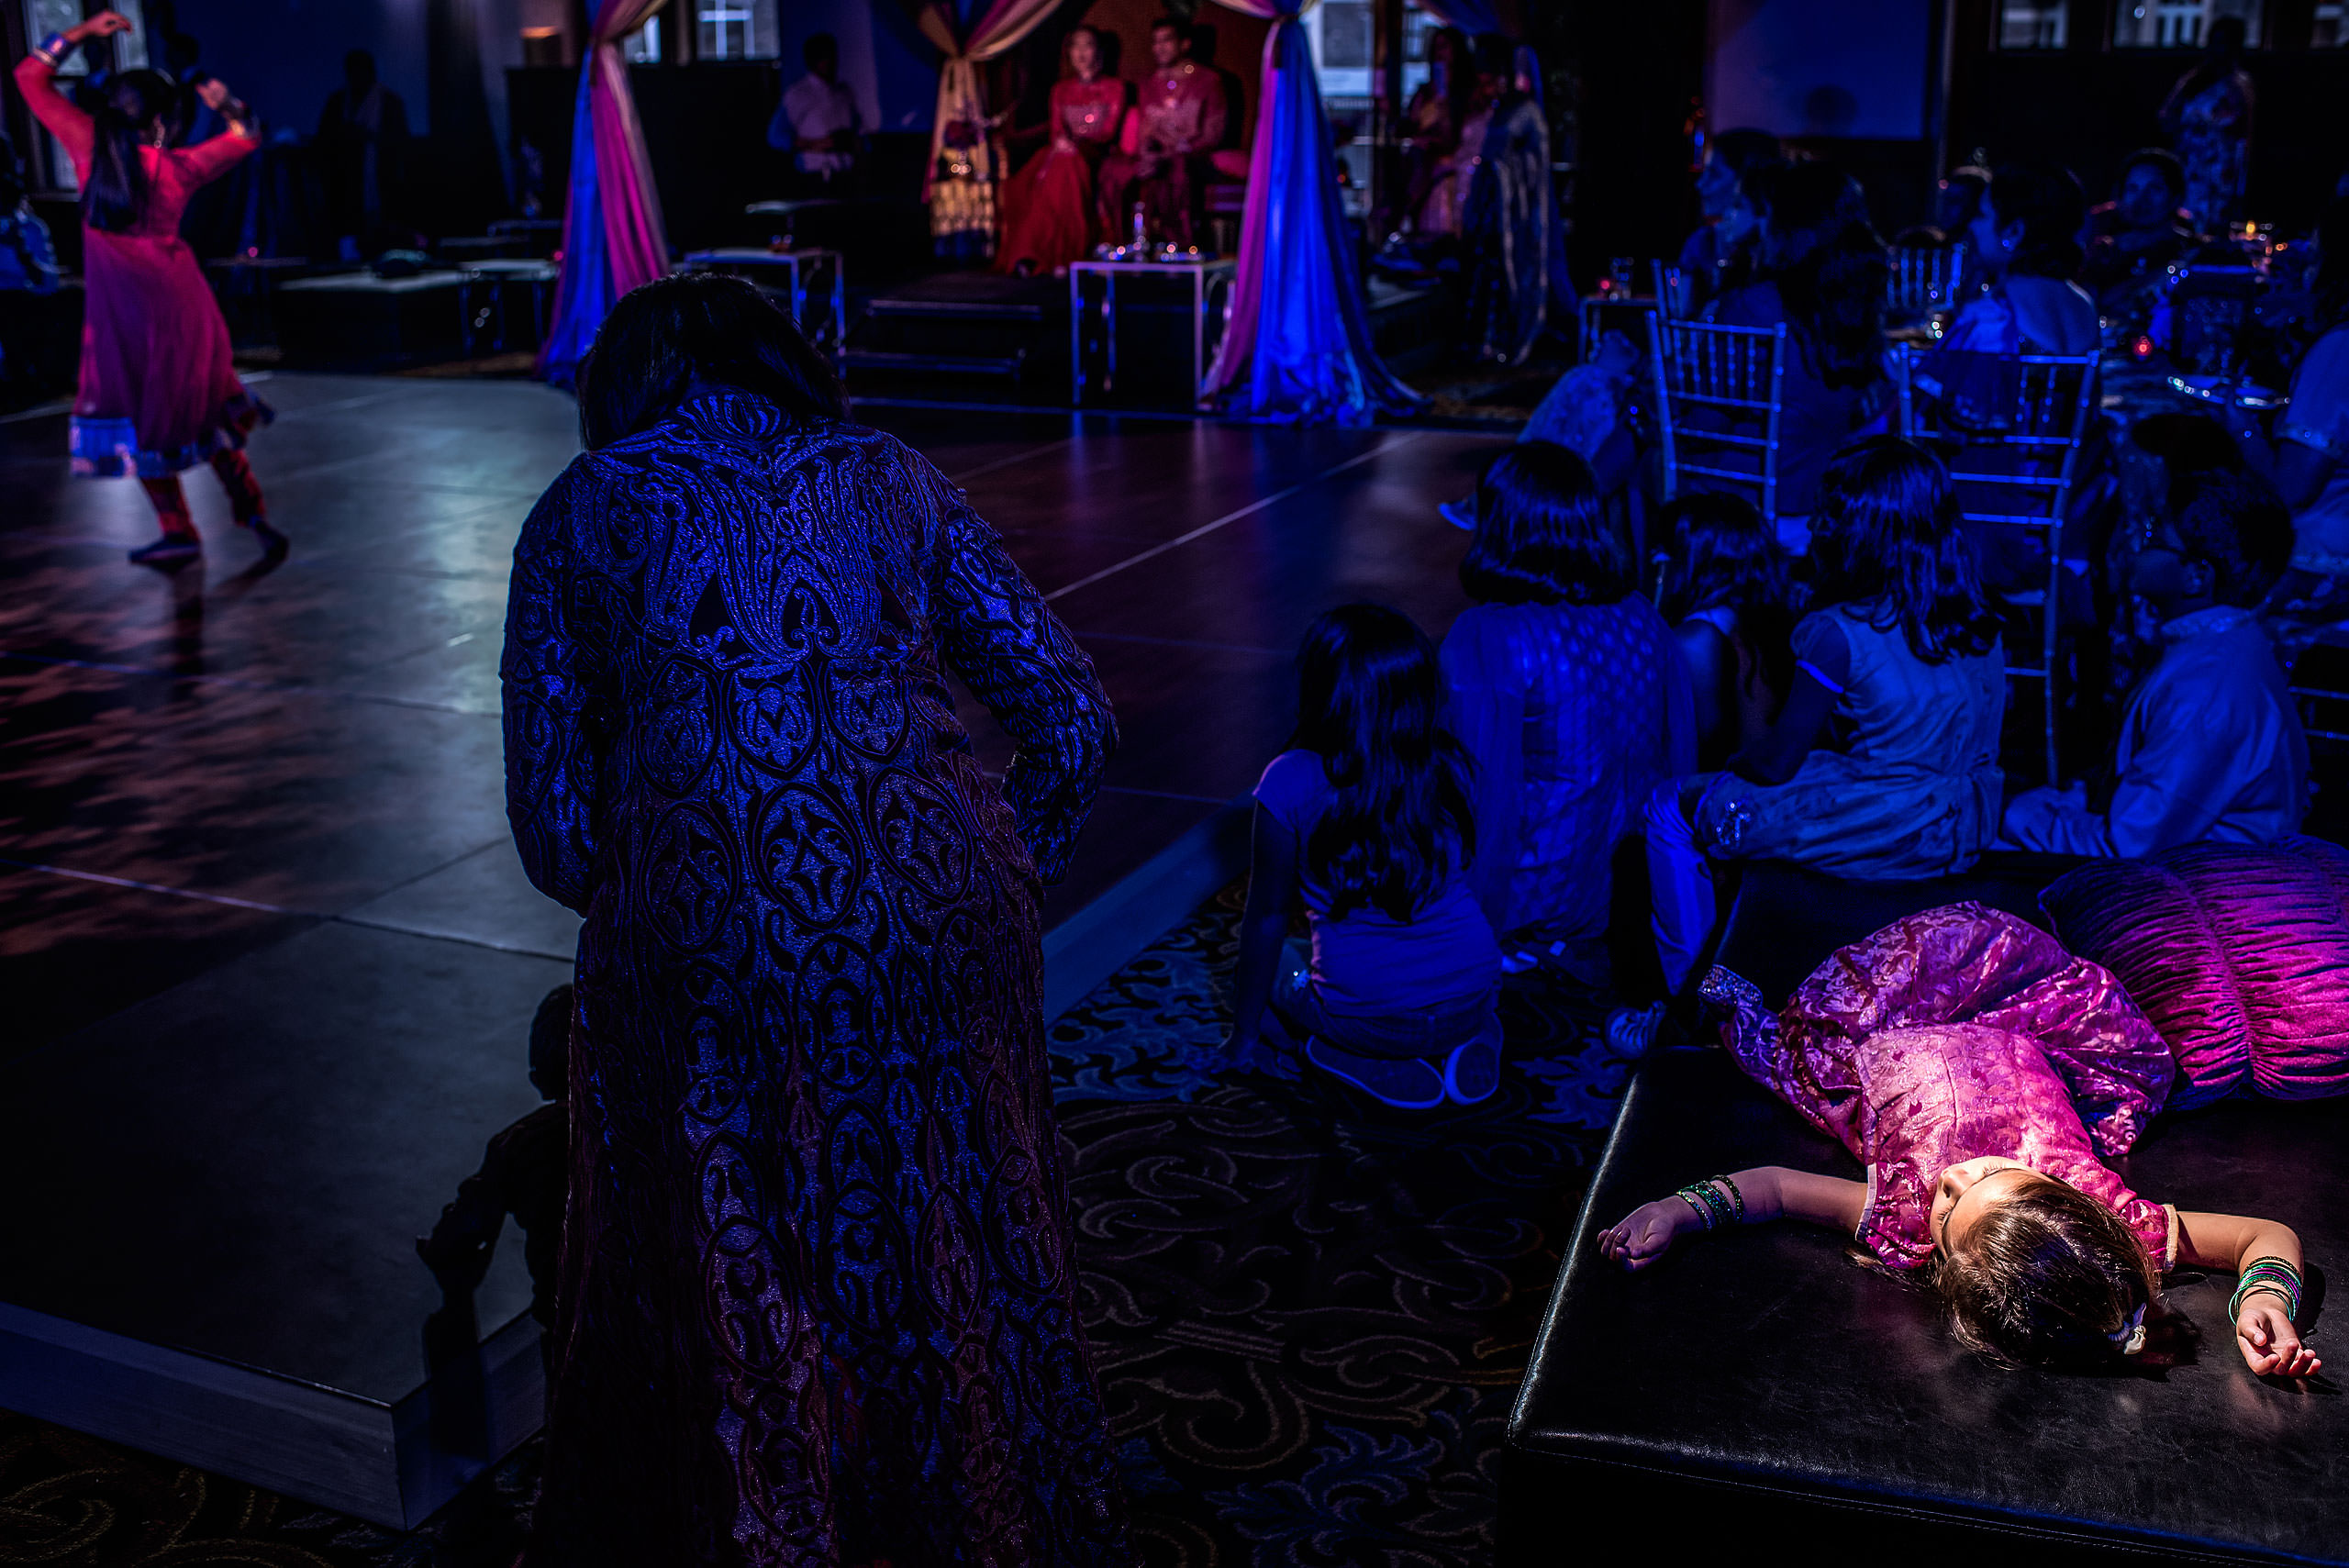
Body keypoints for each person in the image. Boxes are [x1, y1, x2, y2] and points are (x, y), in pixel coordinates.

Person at [502, 272, 1127, 1563]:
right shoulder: (892, 472)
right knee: (954, 1222)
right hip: (942, 912)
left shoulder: (582, 512)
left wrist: (683, 869)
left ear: (622, 388)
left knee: (744, 1252)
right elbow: (1072, 719)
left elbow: (557, 832)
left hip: (715, 952)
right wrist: (1004, 867)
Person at [1600, 903, 2321, 1379]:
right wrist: (2268, 1299)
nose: (1953, 1177)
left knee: (1818, 1016)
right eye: (1992, 1176)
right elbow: (2264, 1233)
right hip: (2005, 1020)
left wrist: (1678, 1210)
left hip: (1892, 1039)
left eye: (1949, 1211)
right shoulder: (2119, 1219)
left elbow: (1778, 1190)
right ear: (2069, 1200)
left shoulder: (1901, 1218)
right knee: (1980, 941)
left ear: (1942, 1261)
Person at [1642, 437, 2006, 994]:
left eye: (1825, 514)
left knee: (1669, 806)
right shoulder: (1977, 621)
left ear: (1855, 530)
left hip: (1885, 824)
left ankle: (1687, 997)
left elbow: (1777, 764)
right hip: (1966, 824)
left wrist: (1742, 712)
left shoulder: (1839, 632)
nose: (1813, 530)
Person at [13, 12, 280, 567]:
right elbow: (247, 136)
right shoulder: (177, 166)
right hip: (179, 308)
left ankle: (178, 528)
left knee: (141, 416)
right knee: (203, 411)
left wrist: (82, 34)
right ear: (161, 122)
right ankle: (249, 511)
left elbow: (27, 78)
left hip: (121, 319)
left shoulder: (87, 148)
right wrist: (225, 103)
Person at [1224, 604, 1503, 1111]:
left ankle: (1340, 1054)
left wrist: (1244, 1037)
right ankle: (1475, 1038)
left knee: (1280, 959)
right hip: (1475, 994)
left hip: (1367, 1021)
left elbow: (1265, 916)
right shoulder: (1448, 766)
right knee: (1451, 975)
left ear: (1321, 689)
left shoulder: (1289, 779)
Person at [1442, 442, 1694, 984]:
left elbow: (1478, 791)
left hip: (1532, 893)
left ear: (1500, 522)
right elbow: (1680, 761)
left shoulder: (1492, 635)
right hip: (1632, 888)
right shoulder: (1642, 616)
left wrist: (1471, 923)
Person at [2003, 470, 2305, 856]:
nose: (2136, 546)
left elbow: (2128, 844)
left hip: (2205, 894)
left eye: (2153, 538)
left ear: (2197, 576)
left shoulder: (2204, 688)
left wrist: (2016, 815)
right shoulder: (2221, 644)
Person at [1704, 159, 1894, 534]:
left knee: (1651, 461)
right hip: (1832, 496)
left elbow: (1710, 418)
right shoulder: (1858, 309)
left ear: (1785, 225)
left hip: (1752, 497)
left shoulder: (1754, 304)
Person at [1653, 491, 1798, 769]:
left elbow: (1700, 752)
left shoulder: (1696, 639)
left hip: (1717, 796)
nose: (1658, 564)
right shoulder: (1765, 621)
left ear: (1693, 560)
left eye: (1666, 552)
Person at [994, 27, 1127, 277]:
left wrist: (1076, 143)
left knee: (1066, 168)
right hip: (1062, 154)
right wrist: (1064, 144)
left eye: (1087, 45)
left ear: (1098, 51)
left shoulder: (1114, 87)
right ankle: (1040, 253)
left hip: (1093, 152)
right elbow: (1056, 131)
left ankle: (1063, 254)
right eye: (1075, 46)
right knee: (1039, 179)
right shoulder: (1061, 89)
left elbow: (1107, 132)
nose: (1081, 52)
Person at [1461, 33, 1552, 364]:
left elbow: (1534, 161)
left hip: (1515, 211)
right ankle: (1480, 342)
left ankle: (1507, 341)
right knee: (1483, 272)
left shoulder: (1525, 112)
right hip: (1488, 206)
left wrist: (1503, 170)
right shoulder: (1493, 111)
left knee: (1508, 272)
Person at [1097, 17, 1226, 249]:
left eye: (1166, 41)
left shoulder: (1208, 81)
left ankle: (1181, 245)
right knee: (1114, 171)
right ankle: (1124, 245)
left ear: (1185, 43)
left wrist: (1174, 151)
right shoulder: (1149, 83)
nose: (1159, 48)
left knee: (1177, 168)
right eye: (1155, 42)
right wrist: (1148, 152)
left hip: (1193, 155)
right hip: (1157, 155)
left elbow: (1212, 133)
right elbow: (1146, 128)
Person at [2160, 17, 2254, 236]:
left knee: (2212, 228)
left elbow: (2245, 137)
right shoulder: (2193, 81)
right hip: (2190, 165)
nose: (2220, 49)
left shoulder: (2240, 85)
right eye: (2216, 42)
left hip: (2221, 173)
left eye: (2226, 43)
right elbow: (2166, 115)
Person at [2081, 149, 2197, 323]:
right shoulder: (2100, 252)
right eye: (2132, 188)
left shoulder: (2193, 251)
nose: (2141, 199)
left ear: (2176, 198)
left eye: (2155, 189)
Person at [316, 49, 408, 261]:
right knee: (347, 237)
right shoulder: (338, 102)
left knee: (382, 236)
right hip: (345, 184)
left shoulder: (389, 103)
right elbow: (325, 139)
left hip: (381, 181)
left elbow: (401, 142)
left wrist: (371, 137)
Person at [1675, 128, 1781, 312]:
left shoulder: (1774, 255)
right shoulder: (1701, 242)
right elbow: (1681, 320)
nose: (1700, 184)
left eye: (1715, 173)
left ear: (1747, 179)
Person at [1393, 26, 1473, 239]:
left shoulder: (1467, 96)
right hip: (1423, 169)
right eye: (1436, 47)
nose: (1440, 53)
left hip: (1452, 172)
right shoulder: (1424, 93)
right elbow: (1409, 125)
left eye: (1445, 47)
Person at [0, 127, 61, 398]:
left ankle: (30, 380)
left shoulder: (29, 228)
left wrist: (22, 250)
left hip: (24, 301)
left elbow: (47, 284)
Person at [769, 31, 860, 192]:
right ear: (812, 60)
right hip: (815, 176)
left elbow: (859, 132)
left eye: (832, 55)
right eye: (823, 56)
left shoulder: (844, 92)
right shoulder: (798, 94)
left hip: (846, 174)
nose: (829, 61)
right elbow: (776, 137)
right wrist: (819, 144)